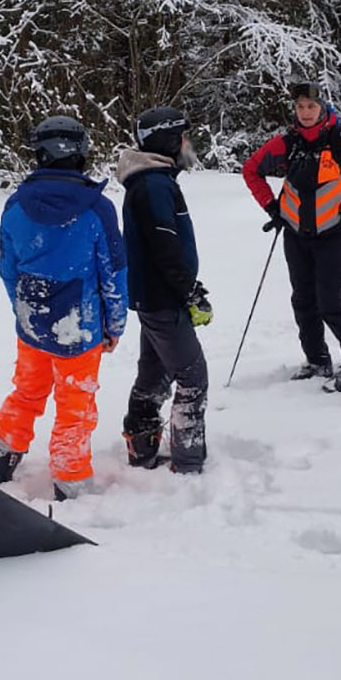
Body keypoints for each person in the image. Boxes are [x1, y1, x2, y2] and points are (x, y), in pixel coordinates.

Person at [0, 116, 127, 500]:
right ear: (81, 152)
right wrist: (115, 324)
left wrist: (25, 310)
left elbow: (7, 268)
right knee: (75, 405)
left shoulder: (16, 205)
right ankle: (70, 481)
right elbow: (113, 273)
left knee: (27, 392)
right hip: (80, 327)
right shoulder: (97, 209)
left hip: (32, 322)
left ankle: (0, 461)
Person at [242, 80, 341, 391]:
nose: (306, 112)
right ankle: (317, 360)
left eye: (311, 106)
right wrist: (272, 206)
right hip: (295, 234)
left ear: (323, 108)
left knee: (330, 301)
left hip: (332, 232)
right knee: (303, 300)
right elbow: (251, 169)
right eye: (300, 107)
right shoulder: (287, 142)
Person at [116, 106, 211, 474]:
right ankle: (188, 465)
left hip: (154, 297)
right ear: (168, 139)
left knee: (154, 376)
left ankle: (141, 449)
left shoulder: (152, 181)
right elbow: (164, 246)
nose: (188, 143)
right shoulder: (154, 184)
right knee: (192, 377)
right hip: (162, 297)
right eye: (183, 136)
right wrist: (189, 291)